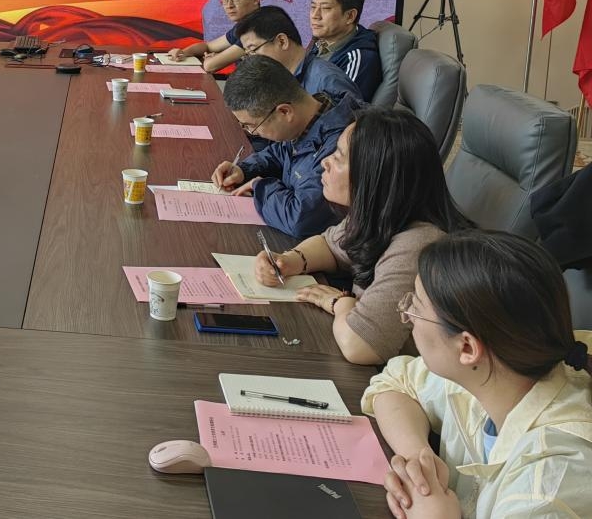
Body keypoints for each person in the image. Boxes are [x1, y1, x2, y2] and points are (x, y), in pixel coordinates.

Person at [363, 231, 592, 519]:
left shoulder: (548, 486)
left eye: (415, 307)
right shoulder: (497, 373)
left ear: (468, 347)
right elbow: (395, 383)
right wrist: (419, 463)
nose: (406, 314)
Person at [251, 108, 468, 365]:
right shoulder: (385, 213)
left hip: (392, 376)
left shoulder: (417, 245)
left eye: (339, 157)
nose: (325, 162)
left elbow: (361, 346)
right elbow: (331, 245)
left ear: (374, 176)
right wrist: (290, 260)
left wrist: (339, 303)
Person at [211, 55, 358, 237]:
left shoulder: (341, 145)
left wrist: (261, 187)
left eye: (251, 126)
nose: (252, 132)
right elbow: (282, 152)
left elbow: (300, 219)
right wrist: (244, 169)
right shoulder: (311, 115)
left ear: (284, 112)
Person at [234, 5, 361, 103]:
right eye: (247, 53)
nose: (251, 59)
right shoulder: (280, 79)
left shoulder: (327, 82)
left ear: (282, 41)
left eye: (253, 50)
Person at [167, 0, 261, 73]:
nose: (229, 5)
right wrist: (183, 53)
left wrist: (211, 59)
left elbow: (210, 66)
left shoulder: (258, 28)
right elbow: (208, 46)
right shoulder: (243, 25)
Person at [309, 0, 381, 101]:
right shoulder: (320, 43)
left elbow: (342, 107)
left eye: (325, 8)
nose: (315, 16)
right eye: (313, 7)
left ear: (350, 16)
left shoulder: (358, 58)